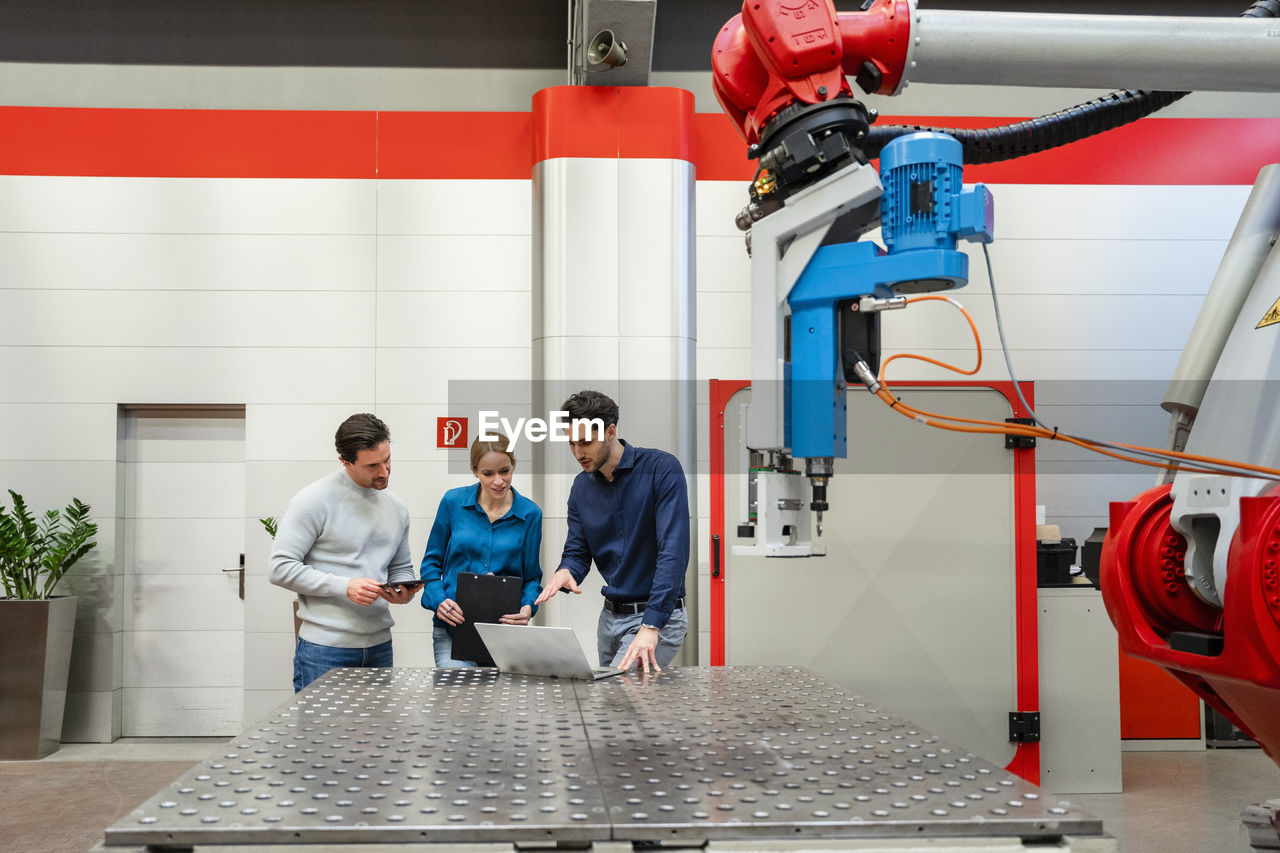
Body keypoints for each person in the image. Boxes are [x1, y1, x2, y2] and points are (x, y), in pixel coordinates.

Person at [534, 390, 689, 673]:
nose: (578, 453)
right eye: (571, 443)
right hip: (609, 620)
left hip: (657, 614)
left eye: (585, 442)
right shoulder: (581, 488)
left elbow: (673, 551)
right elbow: (577, 551)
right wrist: (567, 570)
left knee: (619, 696)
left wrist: (652, 624)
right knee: (618, 710)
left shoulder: (662, 470)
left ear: (610, 431)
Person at [269, 413, 418, 691]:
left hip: (379, 647)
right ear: (345, 462)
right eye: (372, 465)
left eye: (387, 460)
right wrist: (345, 587)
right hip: (324, 650)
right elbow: (279, 568)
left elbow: (401, 568)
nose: (384, 471)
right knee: (319, 736)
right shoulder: (313, 501)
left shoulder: (396, 508)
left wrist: (402, 591)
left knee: (376, 735)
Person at [420, 434, 543, 667]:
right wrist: (439, 600)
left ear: (514, 466)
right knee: (457, 699)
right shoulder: (452, 503)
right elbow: (431, 564)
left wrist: (528, 607)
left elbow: (532, 577)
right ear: (475, 471)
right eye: (488, 474)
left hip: (504, 632)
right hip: (454, 628)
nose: (498, 481)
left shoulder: (530, 514)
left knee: (498, 703)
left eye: (505, 471)